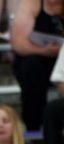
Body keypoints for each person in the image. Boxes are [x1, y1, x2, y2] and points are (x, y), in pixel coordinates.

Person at [10, 0, 63, 131]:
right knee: (32, 65)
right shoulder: (32, 3)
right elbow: (17, 42)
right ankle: (33, 125)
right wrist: (44, 50)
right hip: (39, 57)